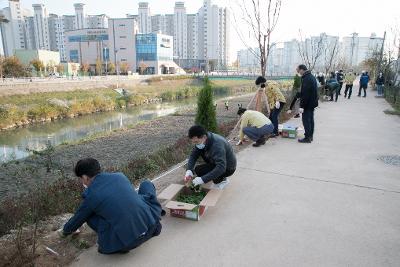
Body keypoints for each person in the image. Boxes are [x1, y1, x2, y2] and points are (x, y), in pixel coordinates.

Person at [60, 158, 163, 254]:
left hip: (127, 243)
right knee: (146, 184)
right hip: (151, 226)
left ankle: (113, 239)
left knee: (88, 215)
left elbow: (78, 218)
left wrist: (65, 231)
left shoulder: (91, 194)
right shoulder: (120, 176)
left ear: (85, 177)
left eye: (81, 179)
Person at [184, 125, 236, 190]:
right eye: (194, 142)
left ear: (204, 137)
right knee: (198, 170)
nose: (196, 144)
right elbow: (193, 155)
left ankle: (222, 181)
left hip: (228, 168)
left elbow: (221, 167)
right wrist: (189, 170)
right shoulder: (203, 140)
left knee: (213, 172)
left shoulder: (217, 145)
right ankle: (218, 177)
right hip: (216, 162)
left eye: (196, 142)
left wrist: (203, 179)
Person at [296, 64, 318, 143]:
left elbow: (306, 94)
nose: (298, 73)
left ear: (302, 69)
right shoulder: (311, 77)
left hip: (308, 104)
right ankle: (310, 136)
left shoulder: (307, 79)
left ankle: (307, 137)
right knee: (311, 120)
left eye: (298, 71)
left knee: (306, 121)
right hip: (312, 103)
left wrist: (302, 106)